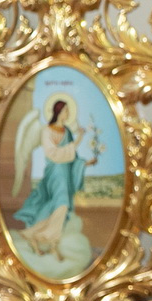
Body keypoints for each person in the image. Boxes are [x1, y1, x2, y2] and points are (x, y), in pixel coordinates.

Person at [14, 96, 91, 261]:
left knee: (57, 209)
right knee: (61, 206)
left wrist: (85, 163)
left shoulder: (67, 131)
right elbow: (53, 154)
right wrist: (78, 140)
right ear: (58, 112)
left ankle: (37, 238)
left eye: (68, 110)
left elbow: (73, 157)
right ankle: (46, 240)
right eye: (65, 110)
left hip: (65, 174)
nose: (68, 113)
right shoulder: (46, 131)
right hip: (55, 174)